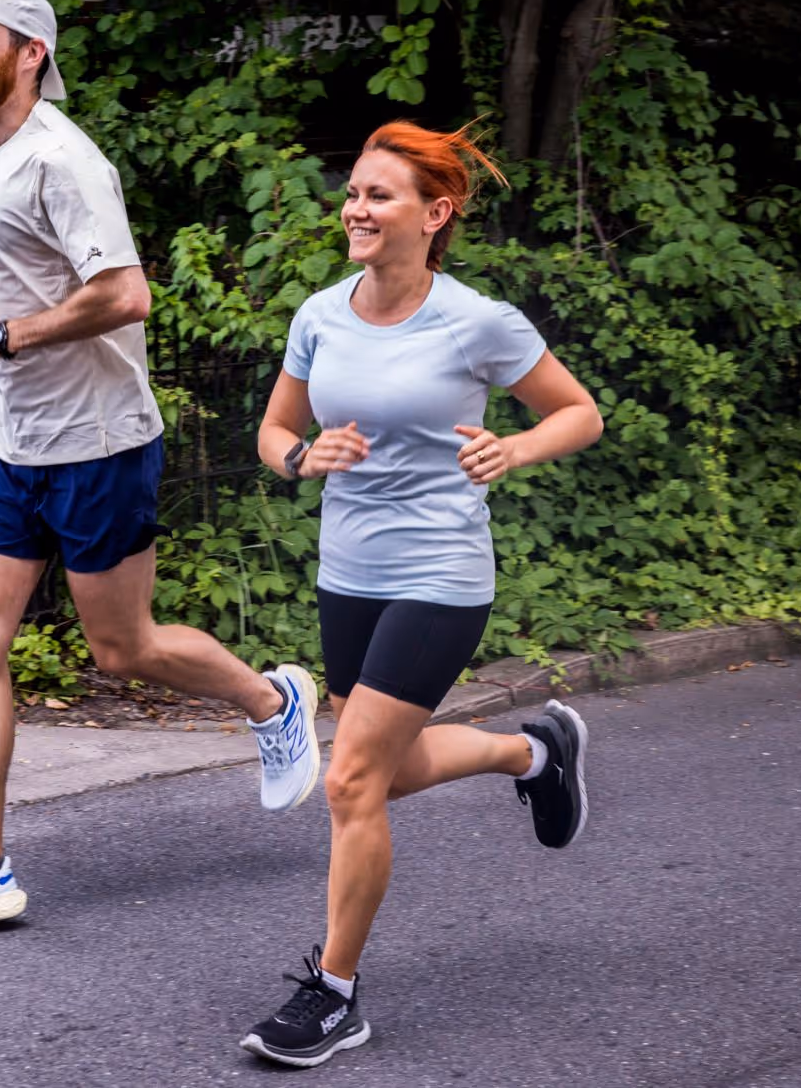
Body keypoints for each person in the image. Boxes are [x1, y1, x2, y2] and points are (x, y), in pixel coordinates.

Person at [0, 0, 323, 934]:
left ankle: (271, 700)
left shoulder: (64, 161)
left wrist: (2, 337)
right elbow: (17, 292)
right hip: (13, 438)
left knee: (122, 649)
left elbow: (127, 296)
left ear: (30, 51)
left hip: (98, 443)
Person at [238, 120, 605, 1068]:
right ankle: (534, 749)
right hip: (347, 573)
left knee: (351, 778)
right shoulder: (320, 314)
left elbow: (579, 412)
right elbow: (276, 431)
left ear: (434, 214)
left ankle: (333, 990)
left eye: (379, 195)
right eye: (354, 192)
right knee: (381, 772)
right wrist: (299, 458)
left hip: (441, 573)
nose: (357, 209)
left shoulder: (476, 320)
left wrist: (513, 447)